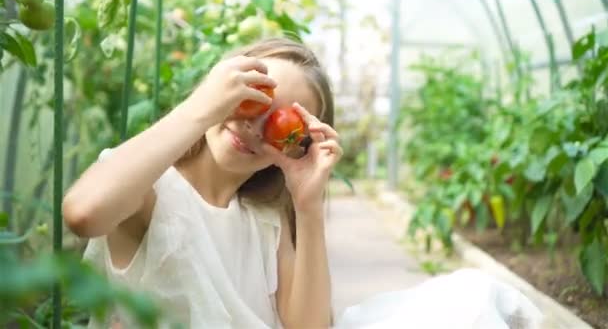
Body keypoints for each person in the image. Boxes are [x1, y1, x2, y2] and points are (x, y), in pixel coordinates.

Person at [63, 37, 542, 329]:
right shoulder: (153, 192)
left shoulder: (264, 219)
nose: (253, 125)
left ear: (295, 142)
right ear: (219, 88)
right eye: (249, 99)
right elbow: (84, 212)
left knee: (470, 297)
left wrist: (308, 207)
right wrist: (200, 107)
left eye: (278, 123)